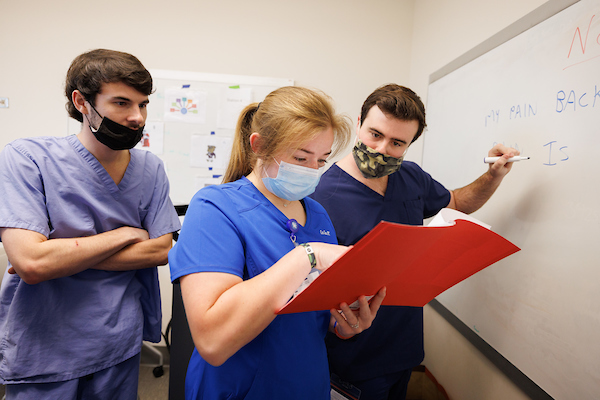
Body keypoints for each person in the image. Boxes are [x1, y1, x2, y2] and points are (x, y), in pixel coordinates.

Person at [169, 86, 387, 400]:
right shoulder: (214, 208)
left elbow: (312, 311)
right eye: (300, 157)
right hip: (240, 388)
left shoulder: (317, 214)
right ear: (258, 146)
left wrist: (343, 323)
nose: (312, 171)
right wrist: (308, 256)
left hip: (306, 382)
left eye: (321, 160)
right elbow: (213, 342)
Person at [310, 84, 520, 400]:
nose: (382, 149)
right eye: (375, 134)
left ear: (410, 144)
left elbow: (457, 203)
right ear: (358, 124)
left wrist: (493, 175)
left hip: (403, 351)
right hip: (350, 362)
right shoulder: (320, 196)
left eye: (397, 142)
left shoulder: (411, 177)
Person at [0, 49, 181, 399]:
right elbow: (33, 264)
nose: (136, 117)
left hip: (118, 341)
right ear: (82, 102)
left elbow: (160, 250)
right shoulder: (27, 158)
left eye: (142, 105)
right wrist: (125, 234)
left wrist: (58, 256)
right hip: (46, 341)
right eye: (121, 103)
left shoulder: (150, 169)